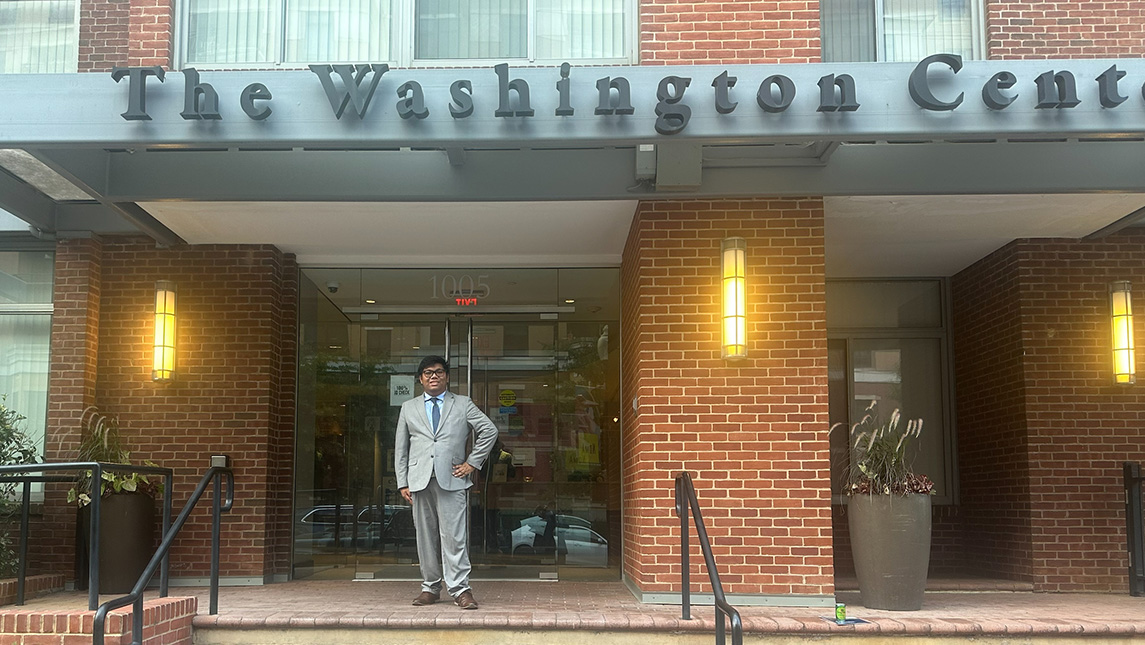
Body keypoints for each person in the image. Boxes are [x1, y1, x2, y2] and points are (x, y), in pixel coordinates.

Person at [394, 355, 498, 610]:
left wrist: (472, 463)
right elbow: (401, 448)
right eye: (428, 372)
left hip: (452, 478)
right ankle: (430, 587)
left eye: (439, 372)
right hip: (418, 481)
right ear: (420, 379)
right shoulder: (408, 407)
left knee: (454, 537)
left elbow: (489, 430)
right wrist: (402, 482)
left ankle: (461, 589)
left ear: (447, 377)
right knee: (425, 537)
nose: (433, 376)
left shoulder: (463, 404)